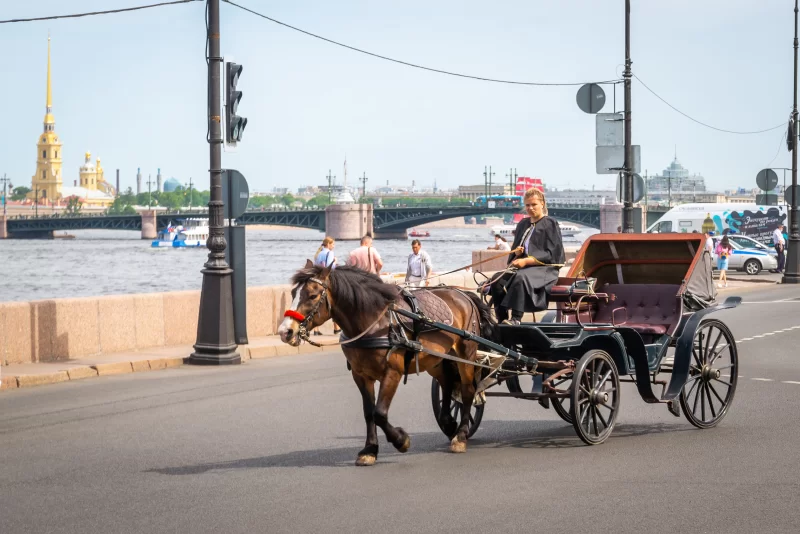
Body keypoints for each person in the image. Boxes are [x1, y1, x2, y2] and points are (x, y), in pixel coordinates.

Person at [490, 188, 565, 325]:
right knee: (496, 280)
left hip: (545, 269)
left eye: (534, 204)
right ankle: (501, 319)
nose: (530, 208)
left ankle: (516, 319)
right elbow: (516, 251)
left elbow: (553, 253)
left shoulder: (550, 223)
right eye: (527, 205)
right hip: (523, 268)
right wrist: (517, 254)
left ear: (542, 204)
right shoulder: (523, 224)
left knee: (521, 278)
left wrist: (527, 261)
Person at [312, 236, 340, 333]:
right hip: (328, 281)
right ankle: (336, 328)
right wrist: (335, 262)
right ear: (328, 244)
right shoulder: (330, 253)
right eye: (332, 244)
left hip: (319, 280)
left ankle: (315, 329)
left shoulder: (319, 253)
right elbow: (330, 268)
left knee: (317, 305)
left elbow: (315, 267)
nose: (334, 246)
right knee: (335, 303)